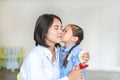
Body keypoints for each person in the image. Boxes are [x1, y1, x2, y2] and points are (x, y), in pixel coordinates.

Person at [20, 14, 83, 80]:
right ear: (44, 31)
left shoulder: (60, 52)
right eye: (56, 28)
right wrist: (69, 78)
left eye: (61, 28)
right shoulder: (34, 56)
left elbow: (74, 55)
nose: (61, 31)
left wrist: (82, 56)